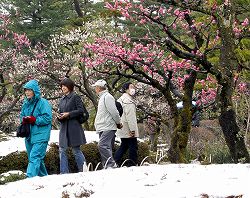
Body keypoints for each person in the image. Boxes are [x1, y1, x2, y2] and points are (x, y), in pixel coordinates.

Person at [20, 79, 52, 178]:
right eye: (26, 90)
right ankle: (45, 179)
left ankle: (29, 179)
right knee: (35, 158)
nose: (27, 92)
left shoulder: (43, 102)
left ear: (35, 91)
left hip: (41, 135)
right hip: (29, 135)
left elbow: (48, 118)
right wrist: (24, 119)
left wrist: (34, 120)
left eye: (29, 90)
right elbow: (21, 115)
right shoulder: (26, 103)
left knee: (35, 157)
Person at [57, 78, 87, 174]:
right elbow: (60, 111)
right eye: (62, 86)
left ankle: (83, 170)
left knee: (76, 150)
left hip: (73, 127)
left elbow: (81, 110)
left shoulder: (75, 97)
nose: (63, 88)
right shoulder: (62, 99)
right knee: (62, 150)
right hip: (64, 127)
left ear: (70, 86)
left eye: (65, 86)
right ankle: (64, 172)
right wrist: (59, 117)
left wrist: (69, 114)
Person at [92, 79, 122, 169]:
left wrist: (118, 122)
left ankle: (111, 165)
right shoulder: (102, 97)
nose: (95, 89)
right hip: (103, 126)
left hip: (108, 126)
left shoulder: (107, 97)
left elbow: (114, 112)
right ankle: (107, 165)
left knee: (102, 145)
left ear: (99, 88)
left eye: (95, 87)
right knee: (106, 146)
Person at [114, 82, 139, 167]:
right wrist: (132, 130)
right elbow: (130, 117)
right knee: (133, 146)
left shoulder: (121, 99)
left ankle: (115, 161)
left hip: (122, 127)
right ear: (126, 89)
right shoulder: (128, 101)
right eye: (131, 87)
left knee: (124, 145)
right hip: (128, 128)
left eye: (133, 87)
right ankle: (132, 164)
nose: (133, 89)